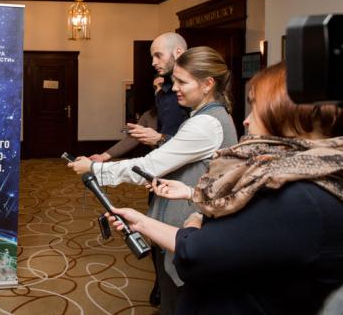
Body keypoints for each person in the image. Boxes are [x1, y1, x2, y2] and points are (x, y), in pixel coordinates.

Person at [109, 62, 343, 315]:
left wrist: (194, 222)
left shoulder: (296, 194)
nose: (246, 119)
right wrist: (148, 219)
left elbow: (195, 257)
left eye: (255, 108)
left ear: (286, 114)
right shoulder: (290, 173)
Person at [69, 46, 238, 314]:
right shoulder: (206, 116)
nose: (176, 88)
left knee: (179, 298)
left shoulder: (206, 123)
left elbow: (148, 166)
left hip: (190, 223)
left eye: (182, 82)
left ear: (208, 84)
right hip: (184, 220)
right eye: (175, 81)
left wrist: (96, 169)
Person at [128, 32, 189, 148]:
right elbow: (164, 138)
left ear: (178, 53)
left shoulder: (196, 92)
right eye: (153, 57)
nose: (153, 63)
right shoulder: (162, 94)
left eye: (158, 55)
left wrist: (158, 138)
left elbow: (195, 141)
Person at [89, 75, 163, 162]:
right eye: (155, 87)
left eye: (162, 85)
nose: (157, 91)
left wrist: (160, 138)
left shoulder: (181, 114)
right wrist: (103, 156)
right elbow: (132, 138)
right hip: (158, 162)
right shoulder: (149, 115)